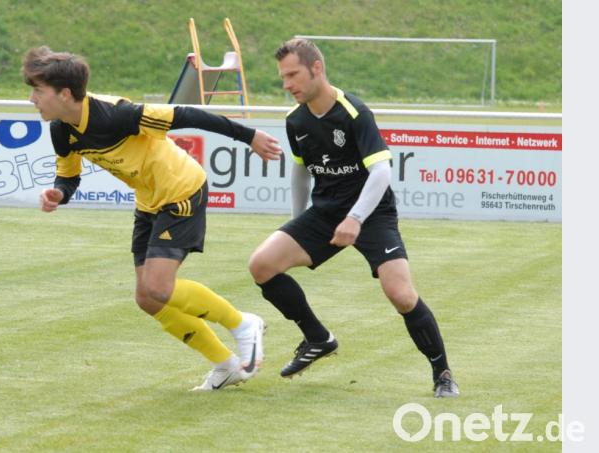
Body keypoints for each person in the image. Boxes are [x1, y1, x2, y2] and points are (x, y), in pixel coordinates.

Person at [23, 46, 281, 391]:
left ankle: (242, 324)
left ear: (65, 94)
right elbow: (68, 176)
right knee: (147, 298)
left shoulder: (118, 115)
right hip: (149, 201)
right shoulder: (61, 130)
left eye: (38, 91)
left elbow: (187, 115)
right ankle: (226, 365)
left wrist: (249, 136)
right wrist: (59, 193)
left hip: (182, 190)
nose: (32, 99)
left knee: (158, 287)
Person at [248, 38, 459, 397]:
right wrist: (297, 223)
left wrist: (356, 218)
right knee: (261, 265)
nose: (286, 84)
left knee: (401, 294)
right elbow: (300, 171)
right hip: (325, 213)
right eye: (283, 77)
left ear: (317, 68)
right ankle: (317, 337)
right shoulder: (295, 119)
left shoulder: (354, 112)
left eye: (293, 75)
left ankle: (443, 373)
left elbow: (382, 172)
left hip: (372, 214)